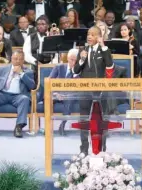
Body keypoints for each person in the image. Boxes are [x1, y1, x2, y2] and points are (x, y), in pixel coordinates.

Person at [73, 26, 114, 155]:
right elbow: (75, 70)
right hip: (85, 90)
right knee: (84, 119)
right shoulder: (83, 50)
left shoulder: (104, 51)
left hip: (101, 90)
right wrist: (81, 59)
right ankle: (84, 149)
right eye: (88, 34)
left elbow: (109, 65)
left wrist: (104, 46)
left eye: (92, 34)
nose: (89, 37)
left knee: (102, 120)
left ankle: (102, 149)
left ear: (98, 37)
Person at [0, 50, 35, 138]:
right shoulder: (2, 69)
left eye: (20, 59)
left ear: (23, 61)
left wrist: (21, 73)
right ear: (11, 59)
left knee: (25, 99)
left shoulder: (28, 71)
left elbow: (32, 86)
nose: (18, 61)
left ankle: (18, 127)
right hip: (3, 94)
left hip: (18, 96)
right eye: (15, 59)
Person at [48, 48, 80, 136]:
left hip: (69, 95)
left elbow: (78, 87)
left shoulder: (79, 71)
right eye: (71, 59)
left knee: (69, 98)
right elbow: (49, 82)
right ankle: (47, 128)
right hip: (56, 93)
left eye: (75, 60)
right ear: (68, 59)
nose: (73, 62)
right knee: (48, 99)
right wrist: (55, 93)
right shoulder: (59, 67)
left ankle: (62, 125)